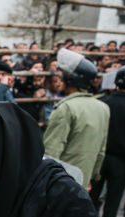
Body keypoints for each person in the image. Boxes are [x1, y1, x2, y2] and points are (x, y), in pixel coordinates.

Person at [44, 48, 109, 189]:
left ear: (71, 79)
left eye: (62, 76)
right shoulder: (103, 108)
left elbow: (51, 152)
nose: (59, 80)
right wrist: (90, 178)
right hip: (83, 181)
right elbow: (101, 151)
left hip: (60, 182)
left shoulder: (65, 108)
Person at [90, 66, 125, 217]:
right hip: (121, 161)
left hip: (101, 155)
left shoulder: (104, 102)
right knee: (113, 201)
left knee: (93, 197)